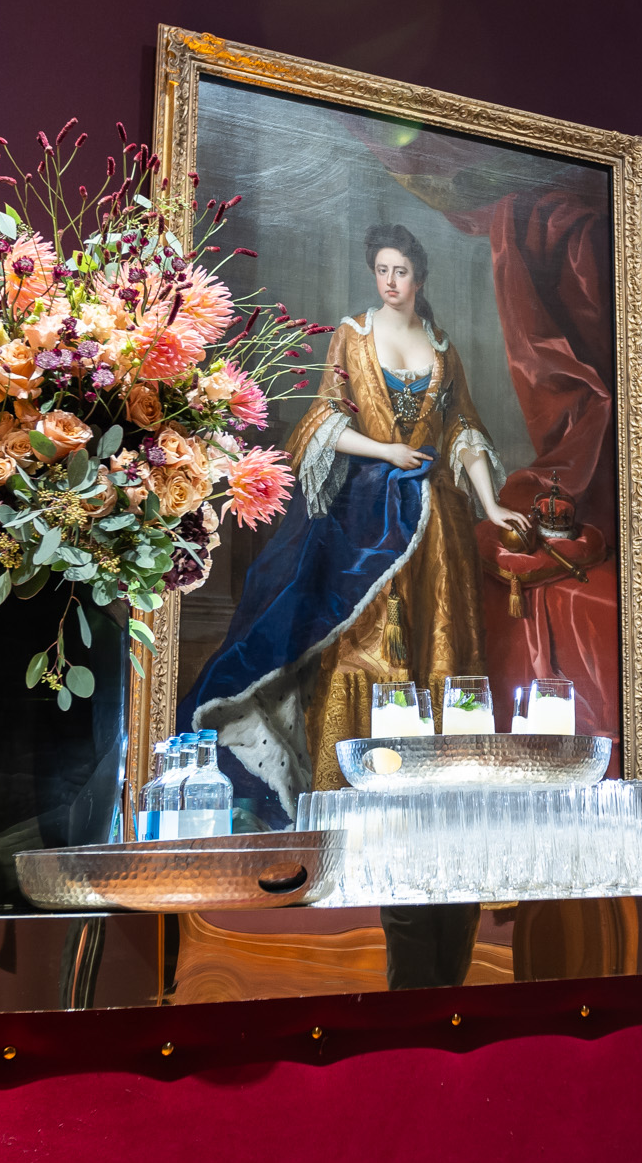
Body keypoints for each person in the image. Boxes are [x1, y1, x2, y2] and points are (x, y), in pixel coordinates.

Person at [190, 223, 530, 802]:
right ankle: (348, 792)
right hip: (366, 519)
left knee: (438, 644)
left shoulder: (444, 347)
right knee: (363, 647)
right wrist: (387, 452)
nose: (391, 281)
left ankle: (442, 797)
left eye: (401, 271)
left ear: (419, 277)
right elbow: (324, 420)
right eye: (382, 270)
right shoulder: (352, 334)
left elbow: (464, 430)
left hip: (437, 527)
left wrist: (492, 503)